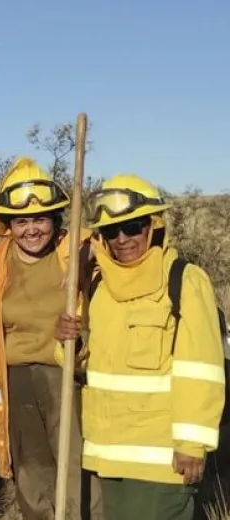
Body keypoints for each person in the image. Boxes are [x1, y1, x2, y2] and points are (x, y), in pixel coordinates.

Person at [57, 173, 226, 520]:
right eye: (110, 231)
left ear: (155, 225)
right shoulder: (98, 285)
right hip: (107, 456)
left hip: (162, 462)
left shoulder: (184, 280)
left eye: (133, 226)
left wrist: (192, 444)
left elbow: (202, 370)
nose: (122, 239)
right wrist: (67, 343)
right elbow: (87, 365)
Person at [0, 157, 103, 519]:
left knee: (77, 468)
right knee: (31, 471)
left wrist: (89, 257)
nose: (31, 230)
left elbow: (115, 247)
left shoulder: (75, 247)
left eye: (40, 219)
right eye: (21, 221)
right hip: (13, 377)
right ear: (8, 225)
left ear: (56, 220)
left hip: (67, 376)